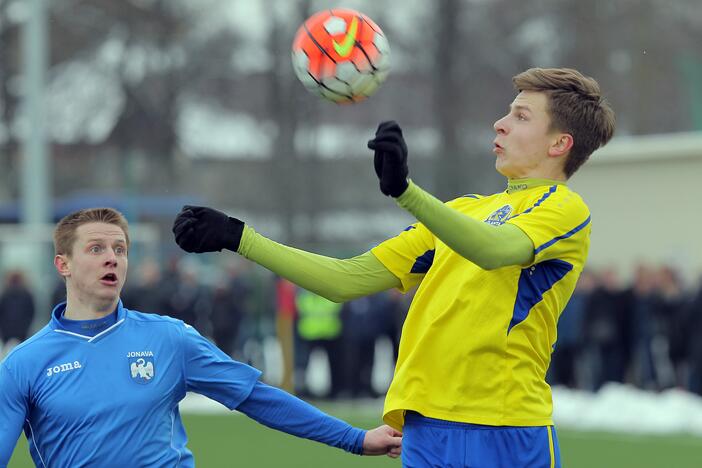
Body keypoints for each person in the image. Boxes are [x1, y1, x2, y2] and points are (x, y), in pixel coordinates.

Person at [172, 67, 615, 467]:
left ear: (560, 143)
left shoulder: (564, 208)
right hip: (424, 430)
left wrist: (406, 192)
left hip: (506, 428)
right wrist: (240, 237)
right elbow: (344, 280)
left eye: (520, 116)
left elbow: (495, 250)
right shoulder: (464, 210)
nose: (499, 123)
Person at [0, 208, 402, 466]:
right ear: (62, 265)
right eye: (96, 248)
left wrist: (354, 438)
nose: (112, 258)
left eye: (120, 249)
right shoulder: (25, 364)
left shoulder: (169, 339)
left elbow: (258, 398)